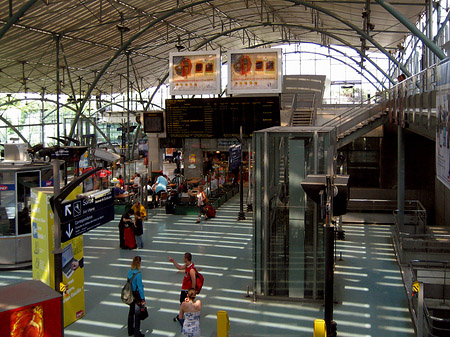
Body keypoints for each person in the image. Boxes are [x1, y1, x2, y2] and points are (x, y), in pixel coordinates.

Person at [127, 256, 146, 337]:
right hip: (137, 295)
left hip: (130, 294)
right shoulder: (138, 274)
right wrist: (143, 299)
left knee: (131, 313)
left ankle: (130, 330)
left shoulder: (129, 271)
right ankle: (137, 333)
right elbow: (140, 287)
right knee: (137, 314)